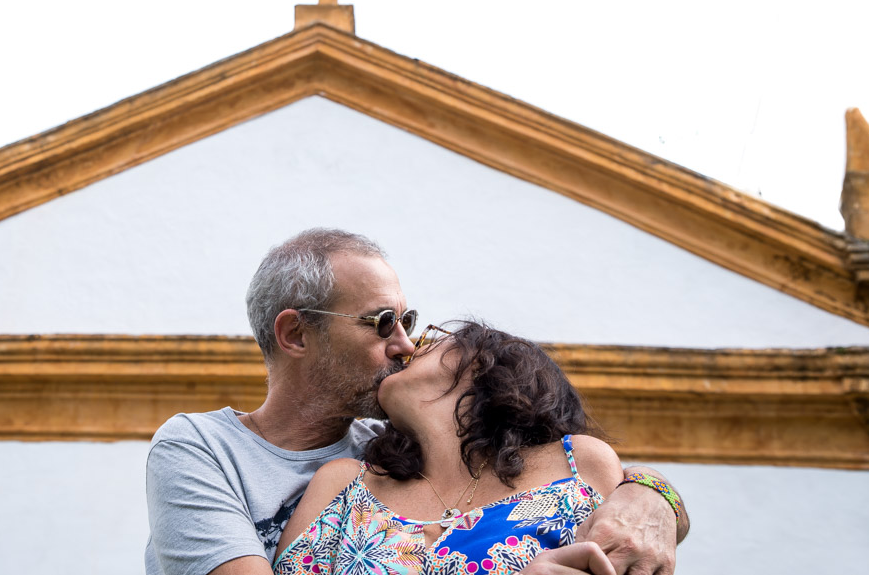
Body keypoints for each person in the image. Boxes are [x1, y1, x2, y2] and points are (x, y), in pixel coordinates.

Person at [144, 229, 687, 575]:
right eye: (383, 323)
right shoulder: (201, 448)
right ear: (296, 335)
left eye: (409, 323)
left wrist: (654, 496)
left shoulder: (381, 456)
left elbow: (575, 474)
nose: (405, 345)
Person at [274, 321, 627, 574]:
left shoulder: (577, 463)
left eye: (434, 337)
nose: (410, 347)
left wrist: (658, 494)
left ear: (485, 367)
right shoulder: (343, 486)